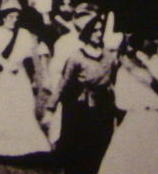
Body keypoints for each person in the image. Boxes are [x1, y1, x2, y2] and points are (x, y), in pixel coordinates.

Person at [0, 0, 51, 158]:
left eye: (16, 17)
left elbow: (27, 59)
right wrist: (5, 65)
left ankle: (20, 147)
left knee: (20, 108)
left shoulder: (23, 34)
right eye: (10, 16)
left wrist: (31, 76)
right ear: (3, 17)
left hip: (17, 75)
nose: (13, 20)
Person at [97, 34, 158, 174]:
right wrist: (150, 97)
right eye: (153, 38)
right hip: (138, 121)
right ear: (143, 41)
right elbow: (121, 102)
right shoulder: (129, 66)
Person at [49, 13, 118, 174]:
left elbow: (114, 78)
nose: (98, 34)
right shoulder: (77, 56)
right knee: (79, 147)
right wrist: (51, 106)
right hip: (82, 108)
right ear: (87, 32)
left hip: (104, 106)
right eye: (95, 30)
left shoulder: (108, 56)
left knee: (101, 144)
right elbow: (64, 83)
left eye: (101, 30)